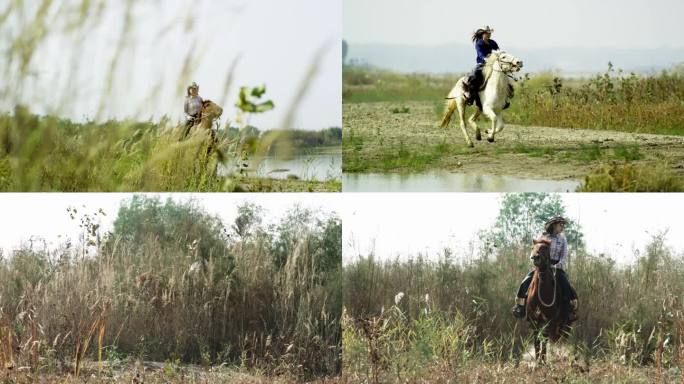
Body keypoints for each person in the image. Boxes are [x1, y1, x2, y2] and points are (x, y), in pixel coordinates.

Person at [512, 216, 579, 321]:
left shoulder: (563, 239)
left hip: (556, 267)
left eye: (563, 225)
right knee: (526, 281)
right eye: (561, 224)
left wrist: (557, 265)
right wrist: (536, 262)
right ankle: (520, 306)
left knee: (566, 283)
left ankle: (569, 310)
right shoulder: (542, 236)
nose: (563, 227)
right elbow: (534, 252)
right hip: (542, 266)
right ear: (554, 225)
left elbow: (564, 256)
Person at [464, 26, 499, 108]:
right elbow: (480, 54)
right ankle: (471, 97)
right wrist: (485, 58)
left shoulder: (492, 42)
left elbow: (498, 50)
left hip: (493, 64)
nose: (489, 34)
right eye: (487, 33)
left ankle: (506, 97)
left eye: (490, 33)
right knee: (474, 77)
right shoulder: (479, 43)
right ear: (483, 34)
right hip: (481, 64)